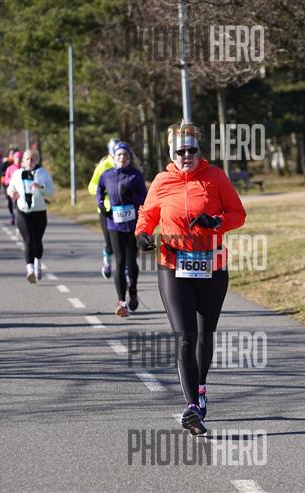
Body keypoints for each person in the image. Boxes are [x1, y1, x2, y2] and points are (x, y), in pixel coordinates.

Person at [135, 122, 246, 435]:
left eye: (192, 150)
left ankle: (200, 388)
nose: (187, 156)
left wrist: (216, 222)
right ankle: (192, 408)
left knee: (204, 336)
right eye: (180, 151)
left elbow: (238, 214)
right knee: (185, 336)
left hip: (212, 266)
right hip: (173, 265)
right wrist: (142, 234)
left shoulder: (216, 177)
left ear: (200, 151)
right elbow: (147, 215)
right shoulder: (162, 181)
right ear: (171, 153)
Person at [96, 142, 147, 317]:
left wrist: (132, 197)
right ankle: (121, 301)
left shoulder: (136, 175)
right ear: (114, 157)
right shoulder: (107, 175)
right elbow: (99, 189)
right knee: (119, 262)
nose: (122, 158)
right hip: (114, 223)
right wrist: (101, 205)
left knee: (131, 261)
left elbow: (144, 198)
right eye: (119, 155)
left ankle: (133, 291)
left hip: (133, 224)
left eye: (125, 155)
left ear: (129, 158)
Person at [6, 150, 54, 283]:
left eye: (32, 159)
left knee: (37, 240)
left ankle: (38, 264)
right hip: (23, 211)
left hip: (39, 212)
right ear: (23, 161)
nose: (29, 161)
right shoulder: (17, 174)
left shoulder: (43, 173)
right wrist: (11, 193)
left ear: (37, 160)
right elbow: (10, 188)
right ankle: (30, 270)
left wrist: (41, 187)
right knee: (28, 239)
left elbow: (51, 192)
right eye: (27, 159)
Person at [88, 138, 118, 279]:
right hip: (106, 210)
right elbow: (91, 186)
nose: (119, 156)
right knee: (110, 242)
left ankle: (124, 269)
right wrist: (103, 190)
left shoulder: (127, 164)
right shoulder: (104, 165)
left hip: (124, 210)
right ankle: (107, 262)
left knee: (125, 243)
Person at [3, 151, 22, 225]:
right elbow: (6, 180)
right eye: (17, 158)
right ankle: (13, 215)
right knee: (10, 204)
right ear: (14, 159)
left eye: (20, 158)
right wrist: (12, 180)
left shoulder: (24, 168)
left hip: (20, 190)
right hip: (12, 190)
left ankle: (19, 217)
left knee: (18, 205)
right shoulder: (10, 168)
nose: (18, 160)